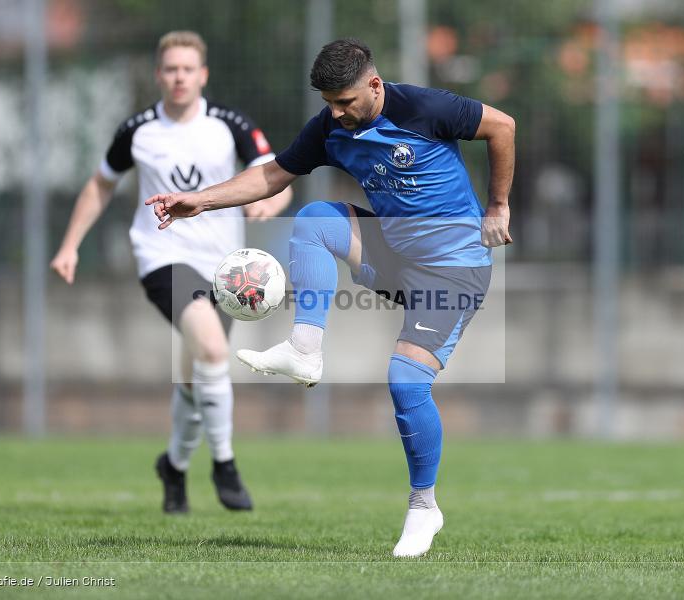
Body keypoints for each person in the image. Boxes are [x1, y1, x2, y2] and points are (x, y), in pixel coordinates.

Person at [146, 38, 514, 556]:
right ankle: (304, 347)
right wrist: (201, 201)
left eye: (346, 102)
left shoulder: (426, 108)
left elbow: (502, 125)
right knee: (316, 219)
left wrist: (498, 206)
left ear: (375, 85)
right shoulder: (331, 128)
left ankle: (423, 506)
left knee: (405, 382)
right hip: (393, 253)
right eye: (329, 104)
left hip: (453, 271)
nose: (337, 114)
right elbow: (273, 174)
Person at [51, 31, 292, 515]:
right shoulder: (139, 130)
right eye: (170, 69)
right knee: (212, 348)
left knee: (195, 377)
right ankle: (224, 465)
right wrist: (70, 244)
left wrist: (271, 205)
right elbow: (100, 185)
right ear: (158, 74)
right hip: (162, 257)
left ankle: (174, 467)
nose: (179, 77)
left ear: (202, 75)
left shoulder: (229, 124)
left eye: (188, 69)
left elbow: (275, 178)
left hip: (226, 269)